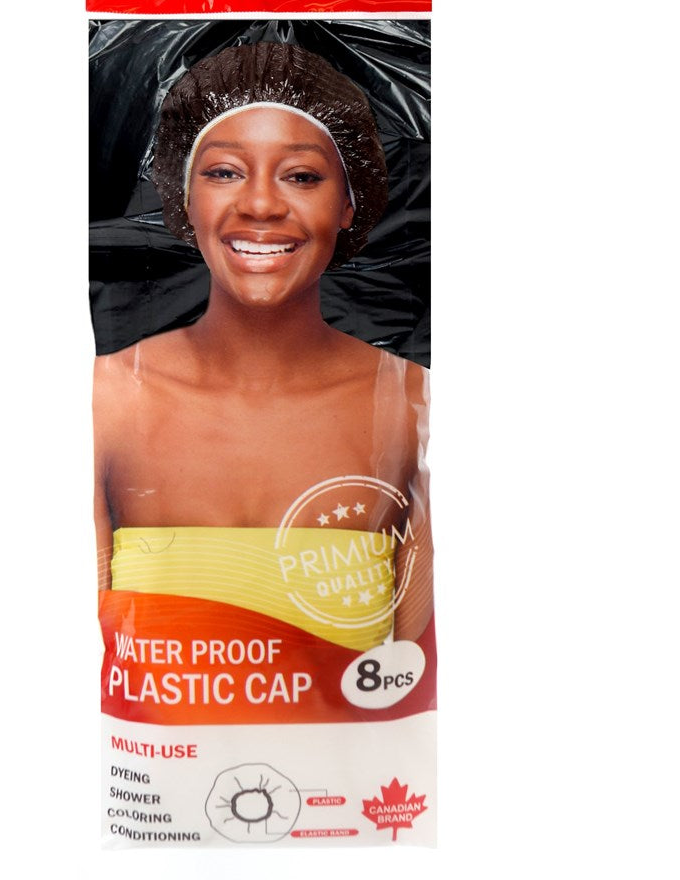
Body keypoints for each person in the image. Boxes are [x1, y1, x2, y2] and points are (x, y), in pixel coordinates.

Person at [93, 43, 432, 645]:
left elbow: (416, 670)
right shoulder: (107, 402)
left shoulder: (414, 407)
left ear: (350, 201)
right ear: (183, 194)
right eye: (224, 172)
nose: (259, 205)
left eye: (301, 176)